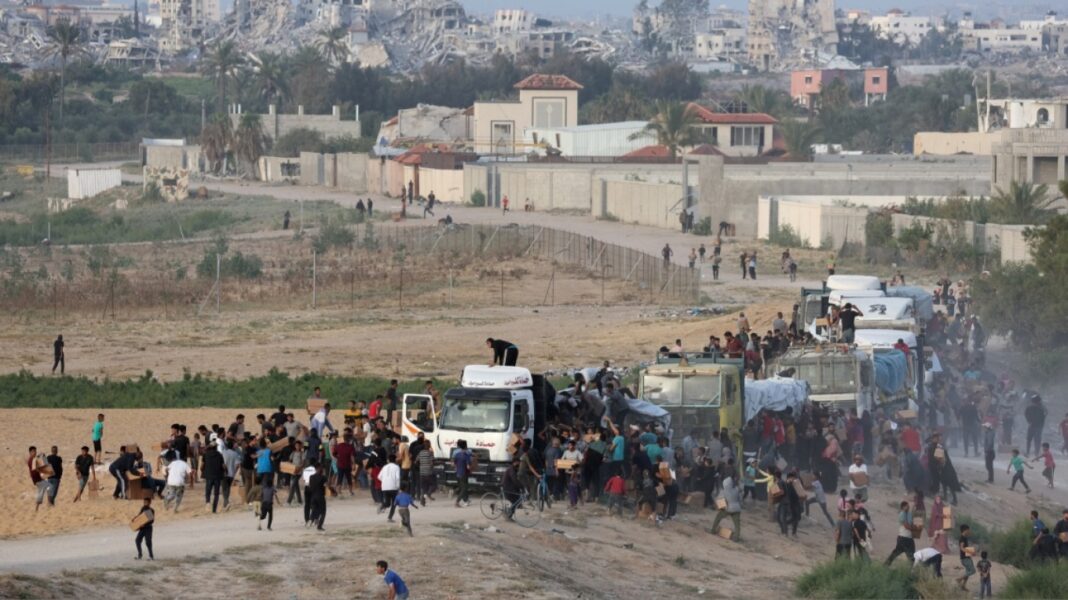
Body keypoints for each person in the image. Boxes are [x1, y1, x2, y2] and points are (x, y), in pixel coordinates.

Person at [708, 469, 742, 541]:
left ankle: (713, 530)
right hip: (736, 508)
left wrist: (720, 508)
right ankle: (736, 537)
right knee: (737, 524)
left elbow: (719, 500)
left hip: (728, 508)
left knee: (718, 518)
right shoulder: (736, 489)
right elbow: (739, 498)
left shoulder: (723, 491)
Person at [886, 501, 917, 565]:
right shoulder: (902, 514)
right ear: (903, 507)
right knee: (897, 553)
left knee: (912, 556)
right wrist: (915, 528)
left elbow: (911, 524)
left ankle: (911, 570)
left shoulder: (909, 514)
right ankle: (886, 565)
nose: (908, 507)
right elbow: (906, 526)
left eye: (908, 506)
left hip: (909, 538)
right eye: (907, 506)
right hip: (903, 537)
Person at [201, 443, 225, 513]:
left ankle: (208, 502)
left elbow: (202, 466)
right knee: (216, 494)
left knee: (208, 491)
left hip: (209, 476)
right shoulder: (220, 455)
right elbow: (223, 466)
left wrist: (203, 470)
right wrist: (225, 470)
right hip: (217, 476)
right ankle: (214, 510)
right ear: (216, 447)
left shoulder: (205, 455)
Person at [378, 454, 401, 518]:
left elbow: (379, 477)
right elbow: (398, 478)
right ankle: (390, 517)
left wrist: (385, 481)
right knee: (394, 504)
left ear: (388, 460)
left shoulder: (384, 467)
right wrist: (398, 487)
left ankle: (383, 505)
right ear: (395, 460)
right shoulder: (397, 467)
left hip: (385, 487)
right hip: (393, 487)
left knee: (388, 503)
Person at [307, 464, 327, 530]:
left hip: (313, 496)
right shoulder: (323, 477)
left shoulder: (311, 477)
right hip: (320, 496)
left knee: (314, 509)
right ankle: (319, 526)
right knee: (323, 512)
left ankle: (311, 519)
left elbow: (310, 487)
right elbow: (328, 485)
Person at [956, 524, 976, 590]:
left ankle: (963, 586)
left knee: (968, 572)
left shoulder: (965, 538)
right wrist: (970, 552)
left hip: (966, 557)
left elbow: (965, 548)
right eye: (968, 530)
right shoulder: (962, 538)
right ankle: (959, 579)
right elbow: (962, 548)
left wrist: (971, 552)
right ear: (965, 530)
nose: (969, 531)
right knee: (972, 571)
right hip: (965, 558)